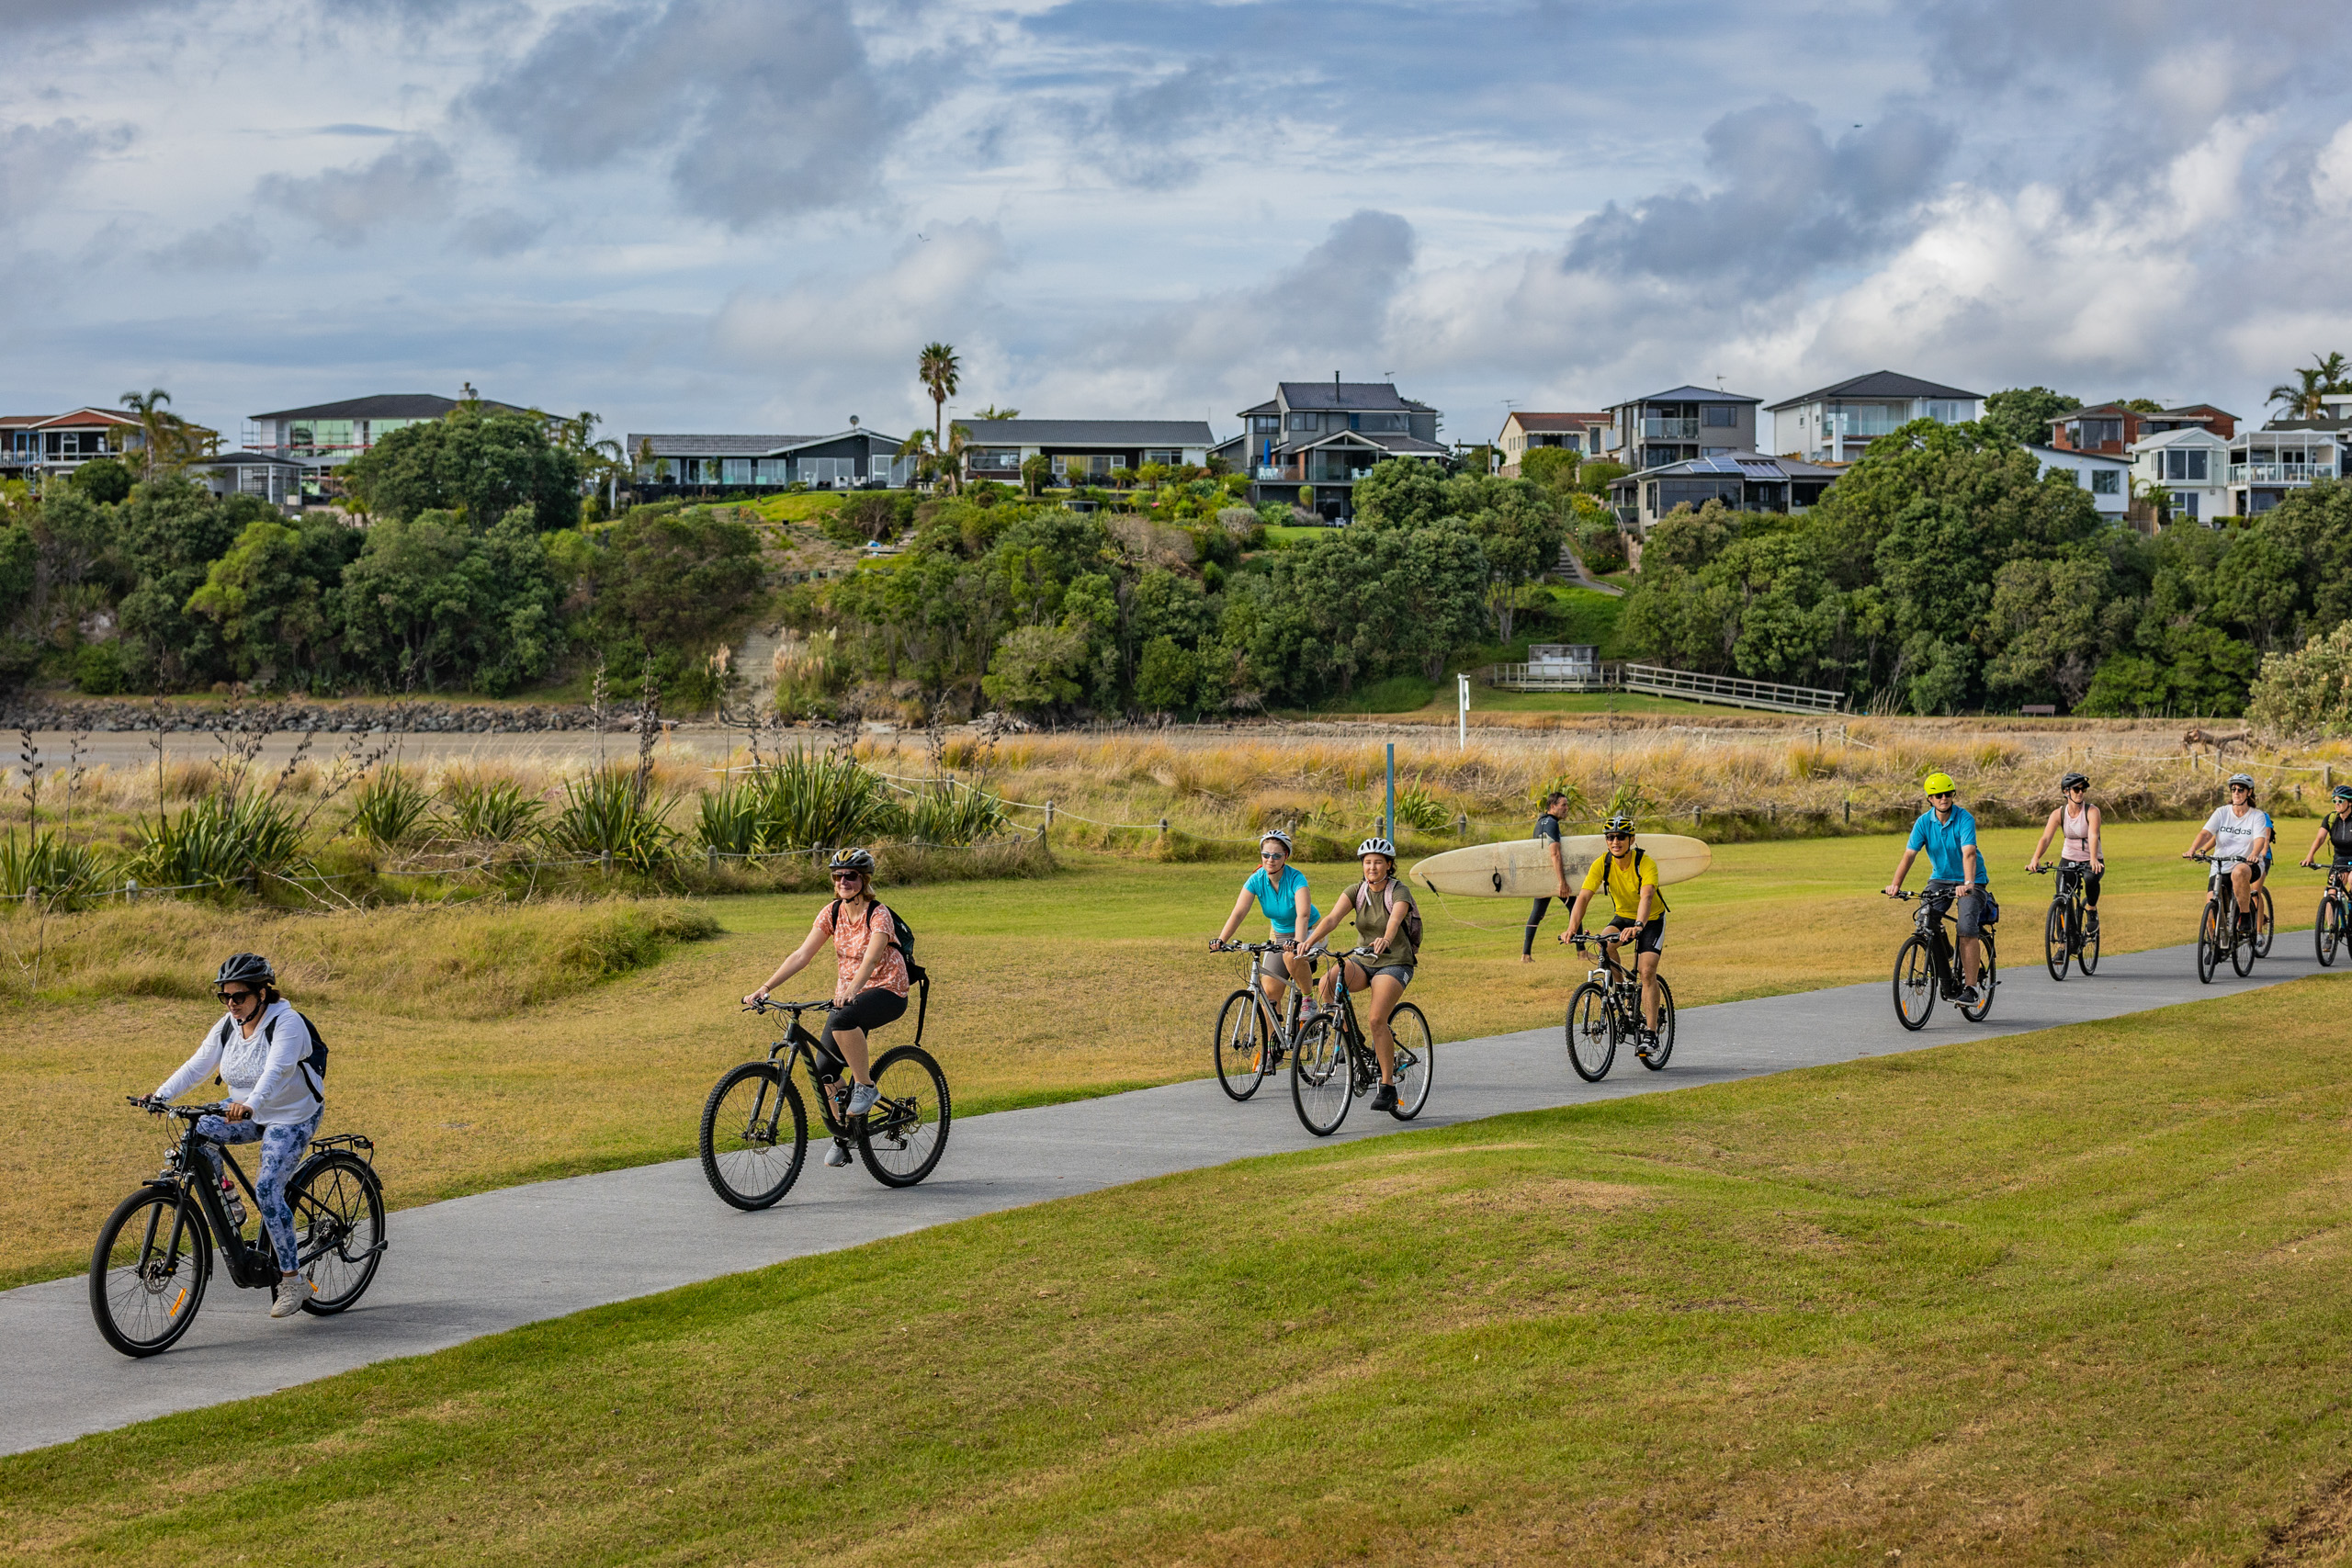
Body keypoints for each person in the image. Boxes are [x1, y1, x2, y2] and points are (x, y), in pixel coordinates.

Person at [141, 953, 322, 1319]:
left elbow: (278, 1070)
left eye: (239, 996)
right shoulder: (228, 1025)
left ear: (261, 992)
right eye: (225, 997)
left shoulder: (287, 1023)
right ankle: (229, 1200)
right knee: (197, 1135)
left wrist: (251, 1104)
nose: (231, 1004)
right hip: (244, 1108)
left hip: (290, 1114)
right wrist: (160, 1095)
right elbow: (197, 1065)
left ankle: (291, 1280)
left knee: (269, 1188)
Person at [745, 847, 910, 1168]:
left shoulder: (878, 914)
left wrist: (850, 990)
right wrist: (765, 988)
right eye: (838, 876)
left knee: (842, 1019)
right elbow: (801, 955)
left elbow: (871, 959)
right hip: (849, 995)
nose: (844, 881)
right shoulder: (832, 912)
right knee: (824, 1071)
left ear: (864, 880)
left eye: (851, 876)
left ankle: (865, 1087)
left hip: (888, 989)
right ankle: (845, 1135)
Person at [1300, 837, 1419, 1112]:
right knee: (1329, 983)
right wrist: (1310, 941)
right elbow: (1331, 919)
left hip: (1395, 962)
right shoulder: (1357, 890)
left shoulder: (1398, 891)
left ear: (1389, 865)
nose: (1372, 867)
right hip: (1364, 960)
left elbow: (1395, 920)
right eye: (1367, 862)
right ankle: (1353, 1045)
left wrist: (1386, 939)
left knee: (1377, 1018)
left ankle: (1387, 1086)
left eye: (1378, 862)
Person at [1560, 813, 1668, 1055]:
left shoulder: (1645, 863)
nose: (1615, 841)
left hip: (1650, 919)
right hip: (1623, 916)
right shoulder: (1602, 864)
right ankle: (1622, 993)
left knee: (1646, 970)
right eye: (1610, 837)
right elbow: (1584, 896)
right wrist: (1571, 928)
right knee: (1604, 943)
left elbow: (1647, 896)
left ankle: (1650, 1034)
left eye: (1620, 837)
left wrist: (1639, 924)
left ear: (1631, 839)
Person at [1883, 773, 1989, 1005]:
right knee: (1925, 920)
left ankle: (1970, 988)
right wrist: (1896, 885)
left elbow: (1969, 853)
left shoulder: (1964, 819)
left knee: (1965, 926)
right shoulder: (1923, 822)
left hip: (1972, 880)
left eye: (1948, 794)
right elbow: (1909, 855)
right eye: (1938, 795)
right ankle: (1946, 960)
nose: (1944, 798)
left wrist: (1969, 884)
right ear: (1929, 799)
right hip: (1940, 879)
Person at [1213, 829, 1320, 1044]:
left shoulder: (1296, 878)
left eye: (1276, 855)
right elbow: (1239, 912)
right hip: (1280, 935)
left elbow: (1303, 914)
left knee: (1292, 958)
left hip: (1309, 931)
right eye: (1266, 855)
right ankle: (1273, 1049)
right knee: (1270, 993)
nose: (1270, 860)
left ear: (1286, 857)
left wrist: (1299, 943)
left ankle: (1308, 999)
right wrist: (1221, 939)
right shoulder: (1256, 879)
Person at [2184, 774, 2272, 936]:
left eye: (2240, 789)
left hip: (2247, 865)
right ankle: (2213, 945)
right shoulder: (2221, 812)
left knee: (2239, 872)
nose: (2236, 793)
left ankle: (2245, 916)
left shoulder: (2256, 816)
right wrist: (2193, 848)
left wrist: (2253, 854)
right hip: (2220, 865)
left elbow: (2260, 839)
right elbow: (2206, 833)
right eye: (2233, 790)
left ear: (2249, 792)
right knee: (2210, 908)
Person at [2027, 771, 2105, 934]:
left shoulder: (2092, 811)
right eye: (2076, 789)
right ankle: (2064, 945)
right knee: (2062, 899)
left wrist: (2093, 859)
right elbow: (2046, 838)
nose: (2080, 793)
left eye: (2083, 789)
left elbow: (2093, 835)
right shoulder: (2058, 814)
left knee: (2091, 877)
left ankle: (2091, 910)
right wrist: (2035, 859)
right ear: (2066, 792)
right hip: (2068, 858)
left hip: (2091, 859)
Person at [1521, 790, 1575, 963]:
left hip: (1542, 876)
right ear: (1552, 806)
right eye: (1563, 805)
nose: (1567, 808)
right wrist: (1562, 882)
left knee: (1537, 914)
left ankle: (1526, 955)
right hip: (1553, 877)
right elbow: (1555, 854)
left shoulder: (1540, 822)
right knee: (1575, 908)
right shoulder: (1552, 823)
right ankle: (1582, 953)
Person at [2300, 784, 2352, 886]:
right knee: (2333, 890)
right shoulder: (2330, 819)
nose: (2337, 804)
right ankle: (2331, 902)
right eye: (2334, 801)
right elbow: (2320, 838)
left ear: (2350, 802)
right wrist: (2310, 856)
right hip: (2340, 858)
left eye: (2340, 801)